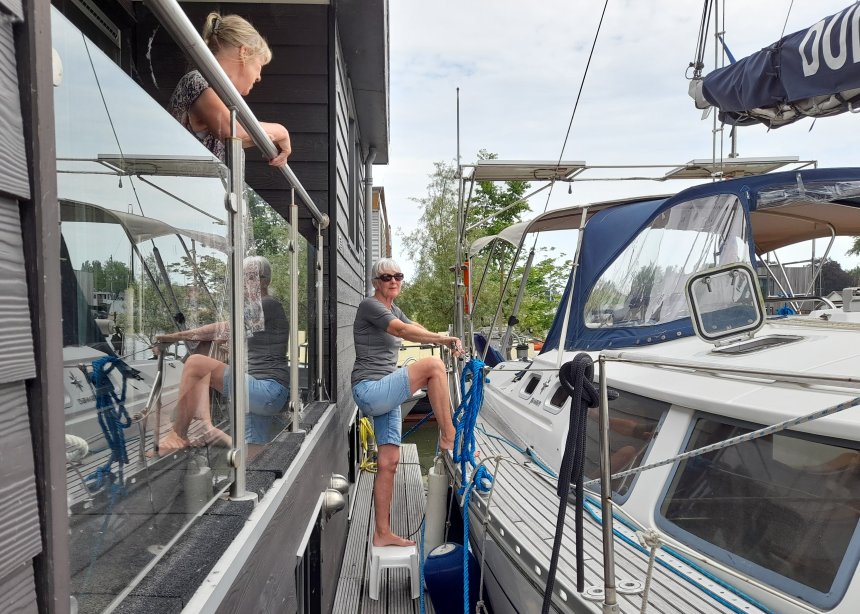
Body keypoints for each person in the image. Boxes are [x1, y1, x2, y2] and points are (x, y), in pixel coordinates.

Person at [352, 258, 462, 547]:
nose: (393, 281)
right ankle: (449, 436)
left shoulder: (392, 308)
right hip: (370, 389)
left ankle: (382, 533)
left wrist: (443, 337)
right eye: (387, 277)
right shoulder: (370, 306)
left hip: (383, 391)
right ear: (376, 282)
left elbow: (415, 326)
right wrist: (443, 343)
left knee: (389, 462)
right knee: (433, 367)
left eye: (398, 276)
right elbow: (402, 331)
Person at [154, 256, 289, 453]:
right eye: (242, 277)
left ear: (265, 281)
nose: (244, 283)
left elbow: (223, 330)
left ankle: (178, 435)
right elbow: (222, 336)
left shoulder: (267, 305)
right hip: (260, 390)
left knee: (195, 365)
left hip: (267, 390)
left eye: (250, 278)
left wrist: (174, 337)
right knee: (253, 456)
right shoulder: (258, 310)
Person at [168, 12, 291, 166]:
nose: (259, 77)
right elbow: (232, 131)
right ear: (244, 53)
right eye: (259, 66)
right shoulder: (197, 81)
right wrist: (282, 132)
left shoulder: (215, 93)